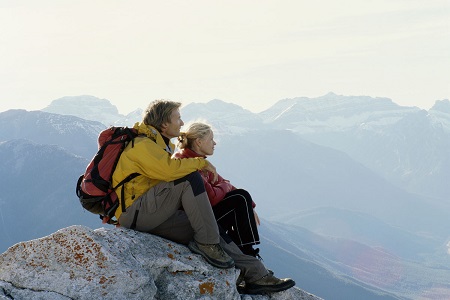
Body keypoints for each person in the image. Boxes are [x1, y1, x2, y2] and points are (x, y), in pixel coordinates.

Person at [112, 100, 295, 294]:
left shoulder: (160, 146)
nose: (182, 123)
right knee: (189, 180)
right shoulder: (142, 145)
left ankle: (256, 274)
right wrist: (200, 163)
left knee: (208, 227)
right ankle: (208, 244)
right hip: (136, 211)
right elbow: (168, 172)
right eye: (178, 118)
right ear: (164, 123)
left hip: (155, 212)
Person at [174, 122, 261, 258]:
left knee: (241, 197)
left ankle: (243, 250)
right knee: (240, 198)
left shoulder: (199, 161)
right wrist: (224, 186)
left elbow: (226, 185)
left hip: (203, 216)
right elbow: (213, 197)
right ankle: (247, 253)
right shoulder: (186, 163)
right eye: (211, 139)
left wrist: (251, 206)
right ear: (199, 142)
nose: (214, 143)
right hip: (195, 223)